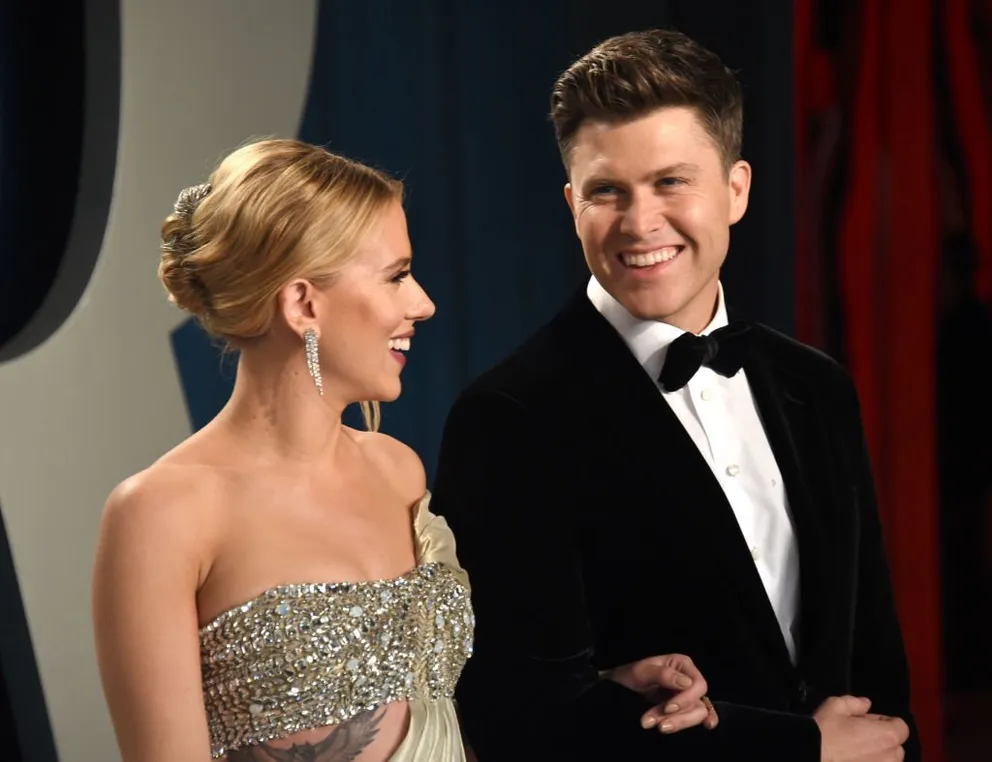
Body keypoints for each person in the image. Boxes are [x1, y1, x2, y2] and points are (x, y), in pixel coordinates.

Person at [91, 137, 714, 762]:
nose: (423, 303)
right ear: (303, 302)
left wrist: (604, 694)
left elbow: (446, 710)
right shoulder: (162, 513)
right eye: (397, 276)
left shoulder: (398, 472)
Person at [430, 30, 919, 761]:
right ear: (571, 203)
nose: (640, 222)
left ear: (737, 190)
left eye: (670, 182)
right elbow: (515, 721)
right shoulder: (508, 418)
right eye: (606, 191)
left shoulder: (816, 386)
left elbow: (875, 666)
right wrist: (802, 749)